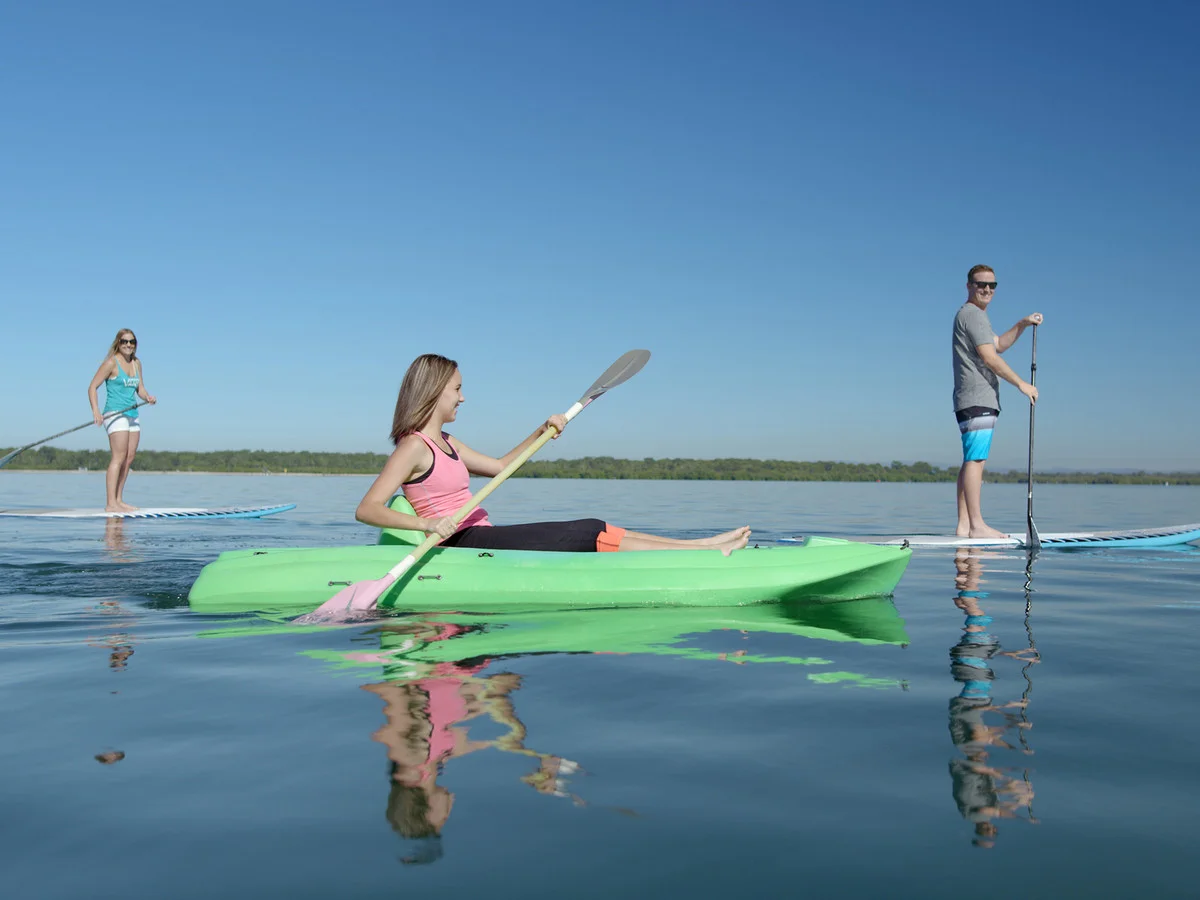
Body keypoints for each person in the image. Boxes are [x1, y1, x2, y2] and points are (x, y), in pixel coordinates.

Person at [356, 353, 751, 554]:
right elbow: (368, 509)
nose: (463, 396)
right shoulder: (413, 447)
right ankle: (700, 552)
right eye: (457, 389)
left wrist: (541, 431)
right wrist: (429, 525)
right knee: (582, 532)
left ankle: (698, 547)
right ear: (434, 391)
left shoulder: (448, 442)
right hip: (461, 543)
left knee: (592, 523)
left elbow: (499, 467)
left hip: (481, 535)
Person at [952, 266, 1043, 538]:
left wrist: (1023, 324)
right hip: (977, 397)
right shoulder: (973, 315)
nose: (987, 290)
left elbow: (998, 344)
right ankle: (977, 525)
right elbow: (990, 358)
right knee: (976, 460)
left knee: (971, 459)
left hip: (971, 398)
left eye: (992, 285)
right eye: (981, 285)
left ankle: (965, 525)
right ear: (969, 285)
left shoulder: (974, 317)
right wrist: (1022, 384)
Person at [88, 329, 157, 512]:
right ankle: (111, 503)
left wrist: (147, 397)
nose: (128, 345)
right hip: (114, 413)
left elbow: (140, 388)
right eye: (125, 341)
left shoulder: (136, 363)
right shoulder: (111, 363)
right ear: (118, 343)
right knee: (118, 457)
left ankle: (119, 499)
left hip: (132, 414)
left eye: (132, 341)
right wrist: (96, 411)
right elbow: (92, 387)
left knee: (129, 458)